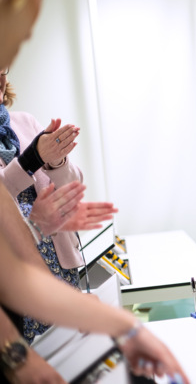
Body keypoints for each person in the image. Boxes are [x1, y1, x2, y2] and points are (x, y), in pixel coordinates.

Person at [0, 0, 188, 382]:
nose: (30, 30)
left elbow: (17, 275)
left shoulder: (20, 122)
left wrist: (121, 326)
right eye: (37, 0)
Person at [0, 69, 115, 343]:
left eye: (3, 71)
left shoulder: (24, 122)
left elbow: (74, 183)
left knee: (70, 353)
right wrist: (32, 158)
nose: (1, 78)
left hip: (58, 265)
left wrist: (56, 163)